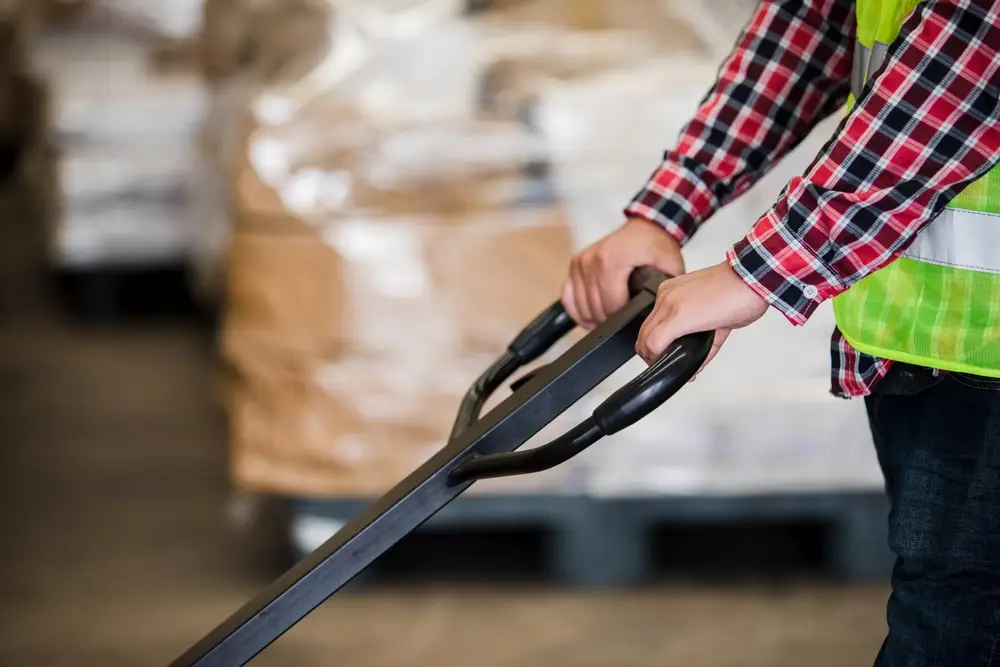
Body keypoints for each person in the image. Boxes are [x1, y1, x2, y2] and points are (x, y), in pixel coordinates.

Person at [560, 0, 1000, 664]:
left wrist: (763, 269)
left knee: (958, 625)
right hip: (934, 344)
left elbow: (972, 61)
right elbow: (809, 28)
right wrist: (666, 209)